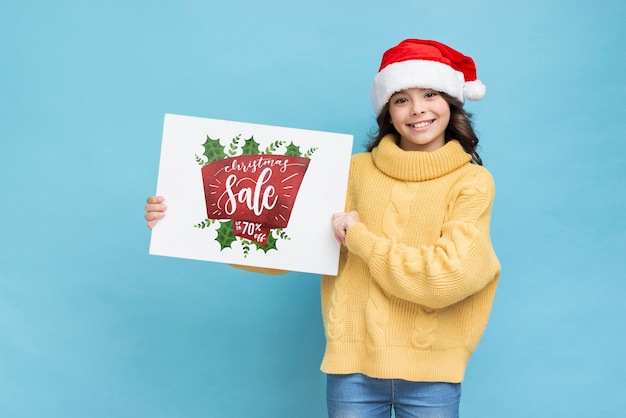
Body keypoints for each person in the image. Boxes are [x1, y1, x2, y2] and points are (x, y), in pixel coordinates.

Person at [145, 38, 500, 418]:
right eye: (401, 99)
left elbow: (448, 277)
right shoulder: (353, 171)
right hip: (352, 373)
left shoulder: (473, 183)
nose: (417, 110)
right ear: (387, 112)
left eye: (429, 94)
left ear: (451, 101)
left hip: (433, 377)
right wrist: (186, 217)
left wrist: (360, 240)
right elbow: (288, 244)